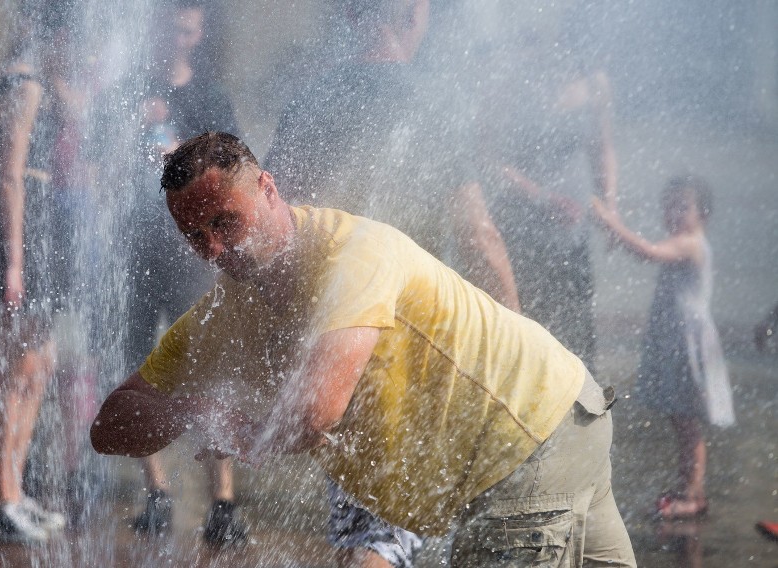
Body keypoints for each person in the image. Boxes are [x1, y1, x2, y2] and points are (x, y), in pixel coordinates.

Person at [91, 132, 637, 567]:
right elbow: (108, 427)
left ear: (269, 189)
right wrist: (193, 409)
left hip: (525, 441)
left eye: (224, 222)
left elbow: (315, 412)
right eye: (193, 235)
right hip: (559, 424)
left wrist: (248, 432)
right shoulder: (224, 315)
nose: (212, 248)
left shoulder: (351, 254)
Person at [264, 0, 519, 313]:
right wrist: (519, 334)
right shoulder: (433, 103)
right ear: (413, 15)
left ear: (352, 16)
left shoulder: (308, 101)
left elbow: (271, 217)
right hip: (410, 319)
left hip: (322, 315)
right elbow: (478, 235)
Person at [102, 0, 247, 544]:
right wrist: (127, 142)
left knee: (210, 371)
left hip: (193, 255)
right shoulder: (130, 89)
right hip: (136, 251)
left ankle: (223, 503)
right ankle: (157, 492)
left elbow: (236, 171)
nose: (179, 36)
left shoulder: (210, 95)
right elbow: (98, 164)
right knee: (140, 367)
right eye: (171, 26)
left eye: (188, 26)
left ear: (199, 29)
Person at [0, 2, 74, 543]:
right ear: (46, 32)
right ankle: (1, 498)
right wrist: (13, 262)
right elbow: (9, 178)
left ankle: (17, 492)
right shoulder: (23, 86)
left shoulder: (38, 82)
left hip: (41, 240)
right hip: (22, 243)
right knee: (15, 370)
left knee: (39, 366)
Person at [469, 8, 619, 373]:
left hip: (572, 225)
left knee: (575, 319)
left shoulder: (594, 83)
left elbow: (602, 147)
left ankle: (580, 411)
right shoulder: (512, 81)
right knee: (528, 319)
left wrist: (611, 205)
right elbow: (485, 157)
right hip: (521, 219)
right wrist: (541, 198)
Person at [593, 174, 735, 519]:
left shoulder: (690, 243)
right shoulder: (687, 240)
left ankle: (693, 494)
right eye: (668, 206)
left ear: (703, 213)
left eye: (682, 206)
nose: (673, 213)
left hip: (690, 343)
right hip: (678, 342)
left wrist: (613, 224)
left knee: (688, 421)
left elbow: (649, 252)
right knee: (680, 418)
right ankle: (686, 484)